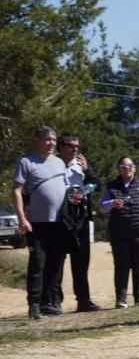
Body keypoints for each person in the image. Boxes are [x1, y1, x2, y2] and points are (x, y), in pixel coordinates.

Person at [11, 126, 68, 319]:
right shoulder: (26, 161)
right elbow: (17, 191)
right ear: (37, 140)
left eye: (53, 139)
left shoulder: (60, 163)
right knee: (37, 264)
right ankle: (33, 304)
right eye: (46, 139)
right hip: (36, 223)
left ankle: (47, 303)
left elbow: (64, 189)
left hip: (59, 223)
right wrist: (22, 218)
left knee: (54, 264)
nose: (51, 143)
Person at [100, 156, 139, 308]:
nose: (127, 168)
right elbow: (102, 206)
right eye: (123, 166)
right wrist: (112, 203)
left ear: (134, 168)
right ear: (118, 170)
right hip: (119, 232)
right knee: (122, 265)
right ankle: (121, 299)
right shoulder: (112, 186)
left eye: (130, 166)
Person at [54, 133, 102, 312]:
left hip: (80, 217)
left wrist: (87, 172)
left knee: (81, 261)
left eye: (77, 146)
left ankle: (84, 300)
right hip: (60, 218)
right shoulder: (53, 164)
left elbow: (97, 183)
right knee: (57, 261)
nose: (75, 149)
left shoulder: (80, 164)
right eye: (71, 146)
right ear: (61, 146)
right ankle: (55, 301)